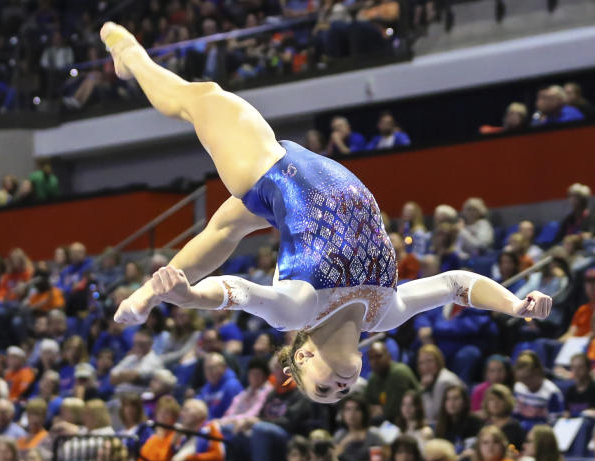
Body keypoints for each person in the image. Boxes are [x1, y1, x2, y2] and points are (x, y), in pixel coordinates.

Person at [101, 22, 551, 405]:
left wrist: (193, 298)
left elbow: (238, 291)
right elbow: (458, 285)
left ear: (303, 357)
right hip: (294, 193)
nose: (338, 390)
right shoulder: (385, 313)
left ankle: (130, 56)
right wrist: (513, 305)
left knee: (199, 97)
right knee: (222, 231)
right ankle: (147, 294)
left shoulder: (298, 310)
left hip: (268, 169)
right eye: (340, 394)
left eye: (321, 391)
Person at [365, 342, 421, 423]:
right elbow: (366, 405)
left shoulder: (399, 372)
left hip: (410, 421)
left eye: (379, 356)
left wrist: (379, 409)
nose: (375, 361)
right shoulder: (373, 377)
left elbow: (392, 411)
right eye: (371, 358)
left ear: (389, 357)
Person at [417, 345, 463, 424]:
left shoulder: (443, 381)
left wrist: (425, 390)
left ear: (439, 361)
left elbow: (431, 415)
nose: (426, 366)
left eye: (430, 361)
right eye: (422, 363)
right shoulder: (436, 378)